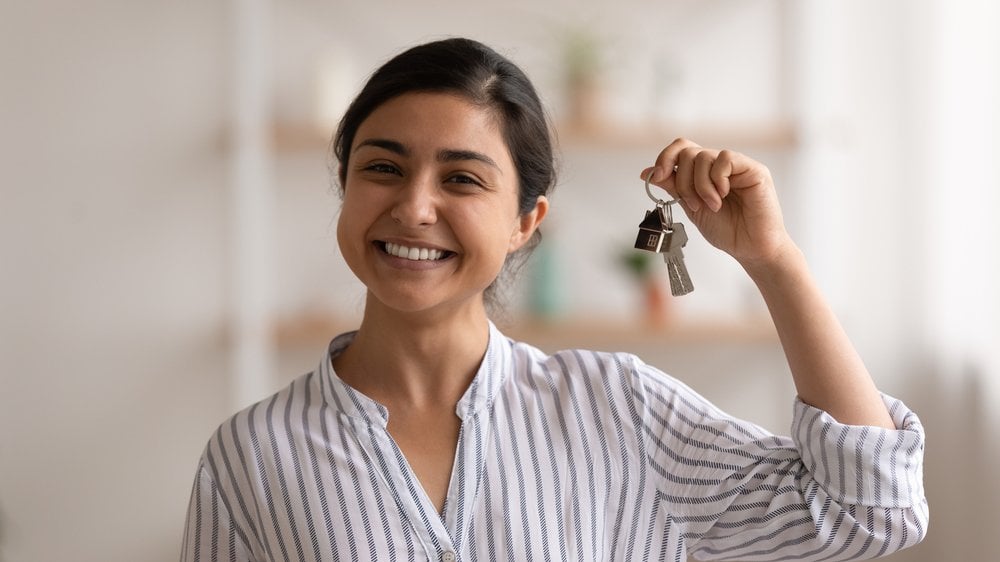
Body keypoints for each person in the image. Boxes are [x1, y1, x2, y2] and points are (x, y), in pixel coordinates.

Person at [181, 37, 927, 561]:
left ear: (525, 222)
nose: (413, 208)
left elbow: (874, 509)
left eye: (462, 178)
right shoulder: (250, 457)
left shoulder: (620, 408)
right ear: (347, 189)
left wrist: (772, 260)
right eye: (383, 167)